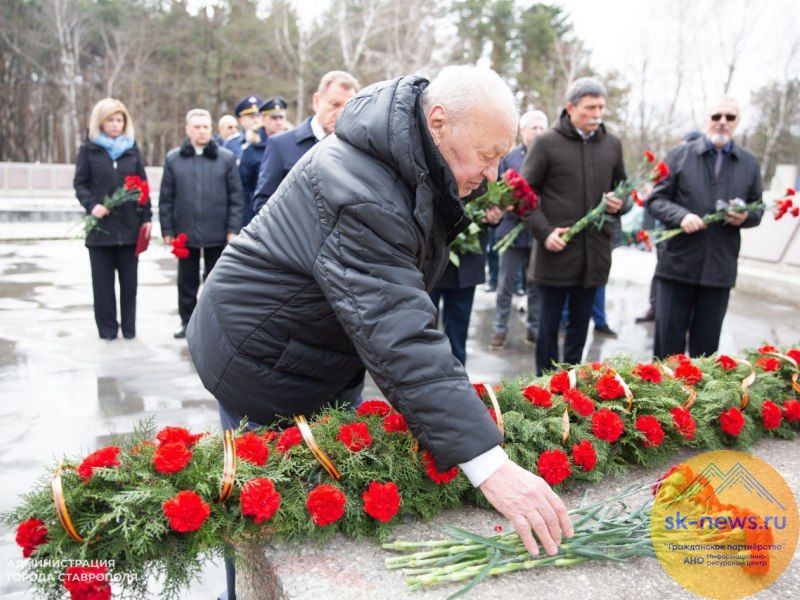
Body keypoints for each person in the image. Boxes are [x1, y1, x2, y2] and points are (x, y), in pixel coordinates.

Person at [188, 67, 574, 599]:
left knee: (307, 498)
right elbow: (399, 331)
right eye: (487, 155)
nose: (492, 174)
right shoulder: (360, 189)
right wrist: (489, 465)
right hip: (261, 358)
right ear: (438, 123)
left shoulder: (402, 159)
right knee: (262, 511)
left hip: (314, 348)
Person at [521, 77, 627, 375]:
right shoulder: (546, 143)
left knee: (580, 327)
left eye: (601, 108)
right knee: (548, 328)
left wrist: (620, 203)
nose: (597, 114)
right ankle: (544, 387)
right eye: (590, 108)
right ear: (570, 107)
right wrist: (544, 232)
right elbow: (523, 194)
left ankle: (571, 385)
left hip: (594, 255)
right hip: (556, 252)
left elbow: (624, 189)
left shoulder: (612, 144)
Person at [647, 97, 763, 358]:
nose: (722, 122)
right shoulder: (679, 155)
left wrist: (744, 216)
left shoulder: (749, 163)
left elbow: (759, 209)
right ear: (706, 119)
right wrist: (681, 216)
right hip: (677, 266)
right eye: (716, 116)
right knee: (667, 351)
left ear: (737, 122)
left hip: (718, 271)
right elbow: (656, 200)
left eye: (730, 117)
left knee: (706, 354)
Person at [159, 109, 244, 339]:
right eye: (197, 127)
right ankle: (187, 322)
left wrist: (233, 229)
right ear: (188, 130)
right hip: (185, 232)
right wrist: (167, 229)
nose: (202, 131)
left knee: (215, 281)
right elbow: (166, 197)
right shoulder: (174, 159)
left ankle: (213, 325)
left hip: (218, 231)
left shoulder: (225, 158)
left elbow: (236, 197)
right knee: (186, 281)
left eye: (206, 126)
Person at [73, 98, 151, 340]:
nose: (116, 124)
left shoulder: (132, 149)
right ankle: (107, 331)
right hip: (100, 231)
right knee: (103, 287)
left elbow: (143, 187)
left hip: (129, 230)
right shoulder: (89, 150)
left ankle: (129, 329)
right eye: (111, 120)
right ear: (100, 122)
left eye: (120, 120)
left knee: (129, 285)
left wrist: (147, 217)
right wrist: (92, 205)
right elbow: (80, 184)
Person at [252, 71, 359, 214]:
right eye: (334, 104)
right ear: (316, 101)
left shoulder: (355, 150)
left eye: (347, 107)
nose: (340, 113)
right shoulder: (280, 145)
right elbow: (262, 204)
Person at [489, 110, 547, 349]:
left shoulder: (549, 157)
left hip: (537, 231)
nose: (538, 132)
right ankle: (499, 330)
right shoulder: (509, 158)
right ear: (522, 131)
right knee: (505, 284)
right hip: (512, 229)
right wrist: (505, 203)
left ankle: (533, 330)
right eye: (534, 127)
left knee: (535, 285)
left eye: (542, 128)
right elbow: (496, 189)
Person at [636, 130, 702, 324]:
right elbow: (659, 197)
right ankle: (655, 307)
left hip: (692, 235)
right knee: (661, 271)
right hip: (669, 230)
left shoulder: (699, 170)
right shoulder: (675, 161)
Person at [239, 96, 289, 228]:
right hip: (258, 215)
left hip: (289, 216)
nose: (279, 122)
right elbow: (244, 190)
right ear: (263, 119)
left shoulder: (294, 146)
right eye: (274, 118)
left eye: (281, 117)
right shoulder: (251, 149)